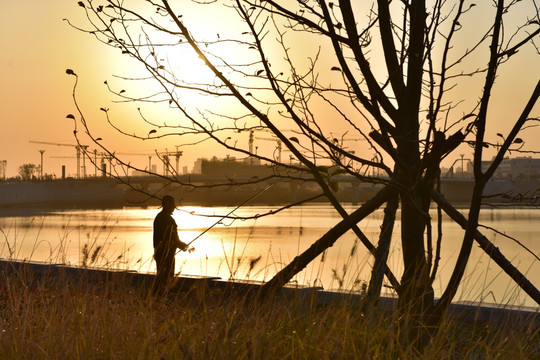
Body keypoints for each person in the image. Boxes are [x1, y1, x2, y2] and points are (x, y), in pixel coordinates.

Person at [153, 195, 188, 294]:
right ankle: (164, 296)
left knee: (160, 276)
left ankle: (156, 295)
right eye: (172, 204)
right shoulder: (168, 219)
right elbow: (173, 239)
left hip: (159, 252)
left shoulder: (158, 217)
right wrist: (183, 246)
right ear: (167, 205)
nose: (174, 206)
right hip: (167, 254)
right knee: (167, 276)